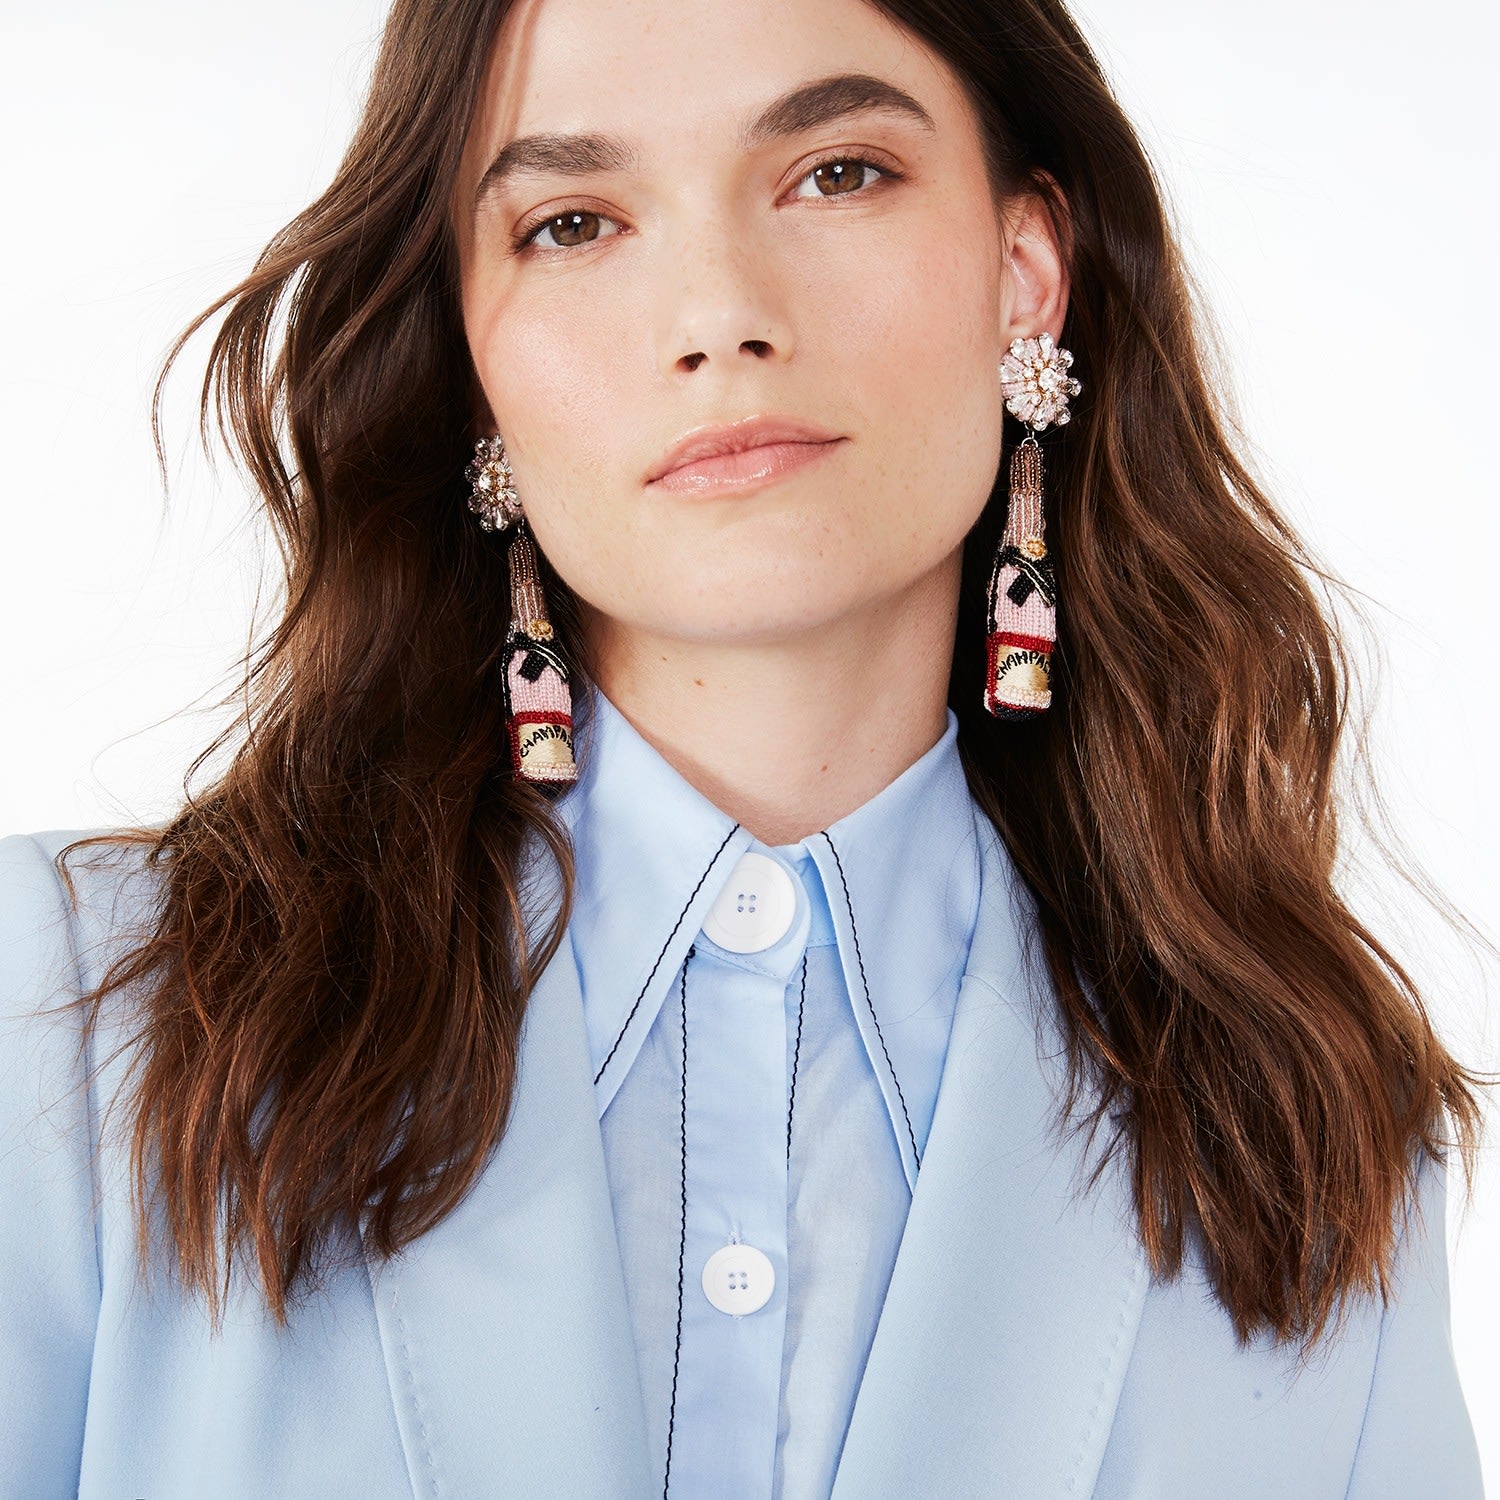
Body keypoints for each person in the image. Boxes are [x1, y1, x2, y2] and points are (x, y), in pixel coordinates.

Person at [0, 0, 1486, 1494]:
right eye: (573, 223)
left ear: (1025, 270)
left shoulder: (1307, 1128)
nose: (720, 316)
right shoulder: (63, 1021)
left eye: (837, 175)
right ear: (469, 364)